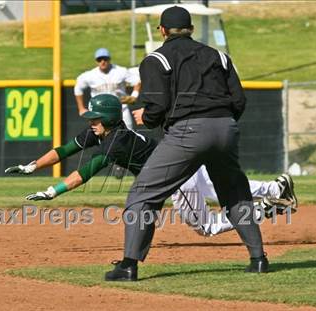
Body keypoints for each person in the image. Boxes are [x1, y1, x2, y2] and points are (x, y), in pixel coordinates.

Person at [105, 6, 271, 281]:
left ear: (162, 30)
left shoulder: (156, 59)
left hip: (188, 132)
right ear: (191, 29)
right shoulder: (219, 56)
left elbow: (156, 108)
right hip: (226, 127)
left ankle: (128, 265)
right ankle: (259, 259)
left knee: (143, 194)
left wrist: (147, 117)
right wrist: (222, 124)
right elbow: (239, 101)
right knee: (234, 192)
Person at [5, 94, 296, 249]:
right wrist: (33, 166)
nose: (91, 122)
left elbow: (87, 172)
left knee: (206, 228)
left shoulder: (116, 143)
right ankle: (275, 188)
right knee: (216, 187)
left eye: (95, 118)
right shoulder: (105, 132)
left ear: (106, 119)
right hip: (188, 164)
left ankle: (266, 210)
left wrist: (52, 191)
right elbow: (66, 149)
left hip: (178, 180)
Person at [74, 48, 141, 130]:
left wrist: (134, 95)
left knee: (127, 133)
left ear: (109, 59)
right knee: (101, 136)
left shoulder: (120, 71)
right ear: (96, 61)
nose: (102, 61)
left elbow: (137, 81)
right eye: (99, 59)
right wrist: (81, 108)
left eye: (105, 59)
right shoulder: (90, 75)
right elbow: (78, 88)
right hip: (99, 112)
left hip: (121, 109)